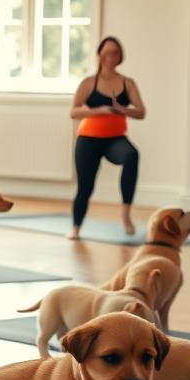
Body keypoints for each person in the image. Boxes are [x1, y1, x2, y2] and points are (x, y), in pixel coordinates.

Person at [68, 36, 146, 239]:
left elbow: (141, 112)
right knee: (86, 186)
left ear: (120, 56)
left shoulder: (127, 83)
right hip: (88, 138)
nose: (110, 56)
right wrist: (99, 110)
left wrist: (123, 110)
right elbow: (74, 112)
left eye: (115, 52)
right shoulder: (88, 83)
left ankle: (126, 214)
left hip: (115, 139)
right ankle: (76, 227)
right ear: (100, 55)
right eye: (107, 52)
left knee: (131, 155)